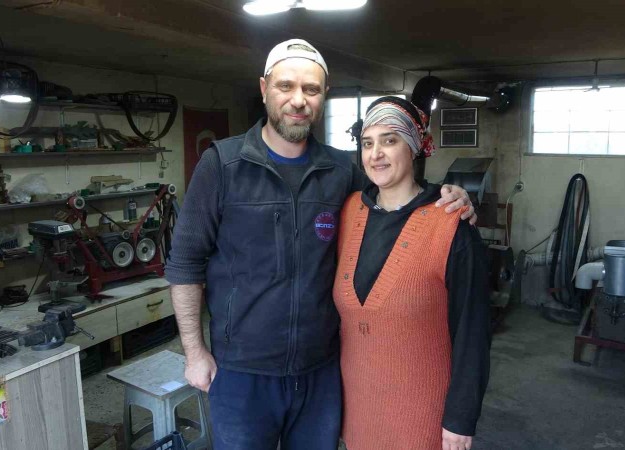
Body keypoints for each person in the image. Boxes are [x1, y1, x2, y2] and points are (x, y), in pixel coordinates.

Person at [165, 39, 476, 450]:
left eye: (310, 89)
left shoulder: (340, 170)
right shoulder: (223, 164)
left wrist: (447, 196)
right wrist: (194, 352)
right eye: (286, 86)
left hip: (321, 372)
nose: (298, 100)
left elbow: (395, 192)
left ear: (323, 96)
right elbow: (185, 262)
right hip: (241, 372)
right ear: (264, 89)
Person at [334, 96, 491, 450]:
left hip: (422, 414)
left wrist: (461, 417)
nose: (376, 154)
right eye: (367, 143)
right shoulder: (349, 211)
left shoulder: (451, 222)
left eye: (389, 140)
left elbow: (473, 331)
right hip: (358, 408)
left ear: (414, 147)